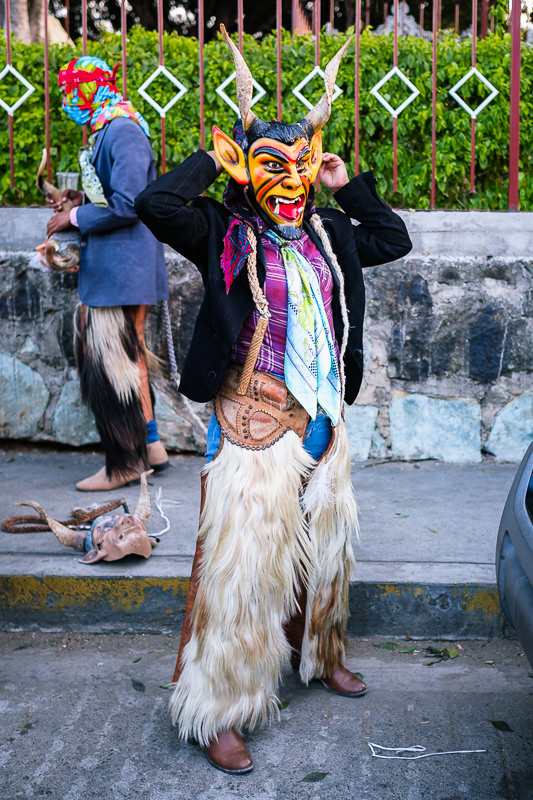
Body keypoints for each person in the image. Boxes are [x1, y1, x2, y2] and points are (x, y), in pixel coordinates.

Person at [135, 28, 412, 774]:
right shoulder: (221, 229)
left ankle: (317, 658)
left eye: (296, 165)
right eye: (272, 166)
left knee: (324, 552)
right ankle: (220, 707)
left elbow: (395, 238)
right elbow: (154, 203)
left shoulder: (328, 231)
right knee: (242, 567)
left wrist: (342, 182)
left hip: (322, 415)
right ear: (248, 172)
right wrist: (211, 162)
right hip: (252, 416)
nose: (288, 179)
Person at [47, 56, 169, 491]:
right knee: (130, 358)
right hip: (121, 266)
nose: (66, 100)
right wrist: (78, 199)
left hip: (122, 269)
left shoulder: (122, 130)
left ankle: (125, 464)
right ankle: (151, 447)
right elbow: (115, 193)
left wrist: (75, 217)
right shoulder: (113, 127)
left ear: (88, 89)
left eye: (69, 91)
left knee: (111, 367)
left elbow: (129, 204)